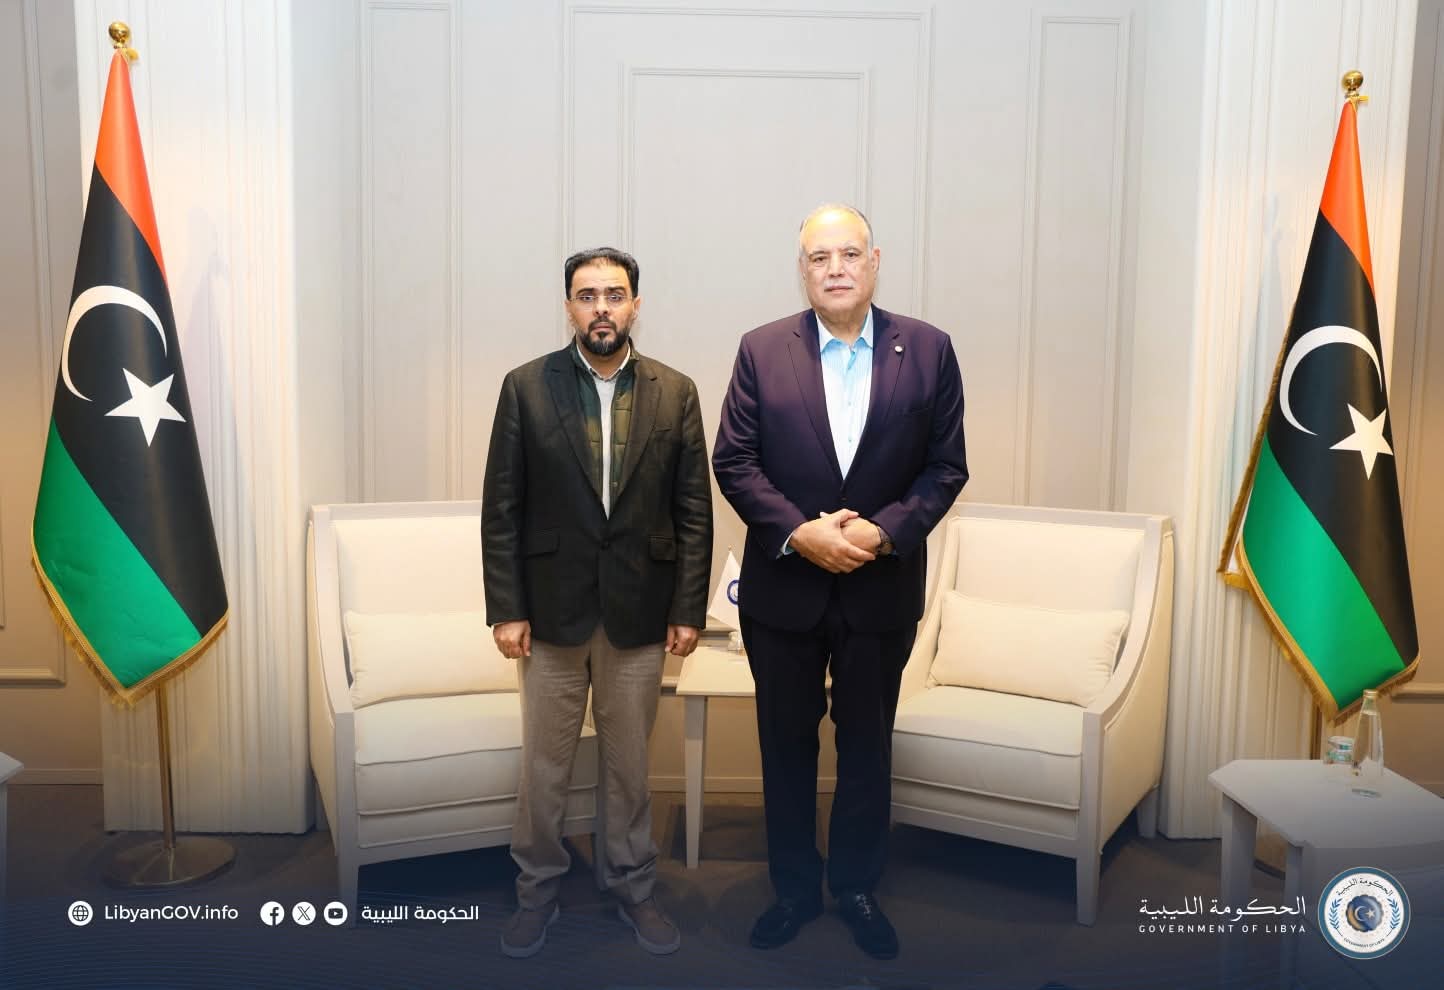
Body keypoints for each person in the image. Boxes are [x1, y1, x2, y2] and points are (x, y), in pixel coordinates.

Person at [712, 205, 967, 960]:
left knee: (866, 750)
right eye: (819, 257)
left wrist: (882, 533)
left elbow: (945, 467)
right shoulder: (762, 349)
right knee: (785, 747)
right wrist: (802, 533)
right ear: (803, 270)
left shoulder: (928, 349)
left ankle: (856, 887)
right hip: (784, 593)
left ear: (874, 261)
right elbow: (735, 460)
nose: (835, 268)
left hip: (879, 592)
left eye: (849, 253)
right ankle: (793, 890)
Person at [482, 247, 712, 958]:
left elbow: (694, 511)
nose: (602, 308)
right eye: (587, 296)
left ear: (636, 305)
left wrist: (687, 609)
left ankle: (633, 887)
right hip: (549, 615)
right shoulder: (526, 387)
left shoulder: (676, 392)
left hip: (640, 613)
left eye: (614, 294)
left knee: (628, 769)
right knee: (544, 770)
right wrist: (506, 608)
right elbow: (502, 508)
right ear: (569, 308)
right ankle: (536, 893)